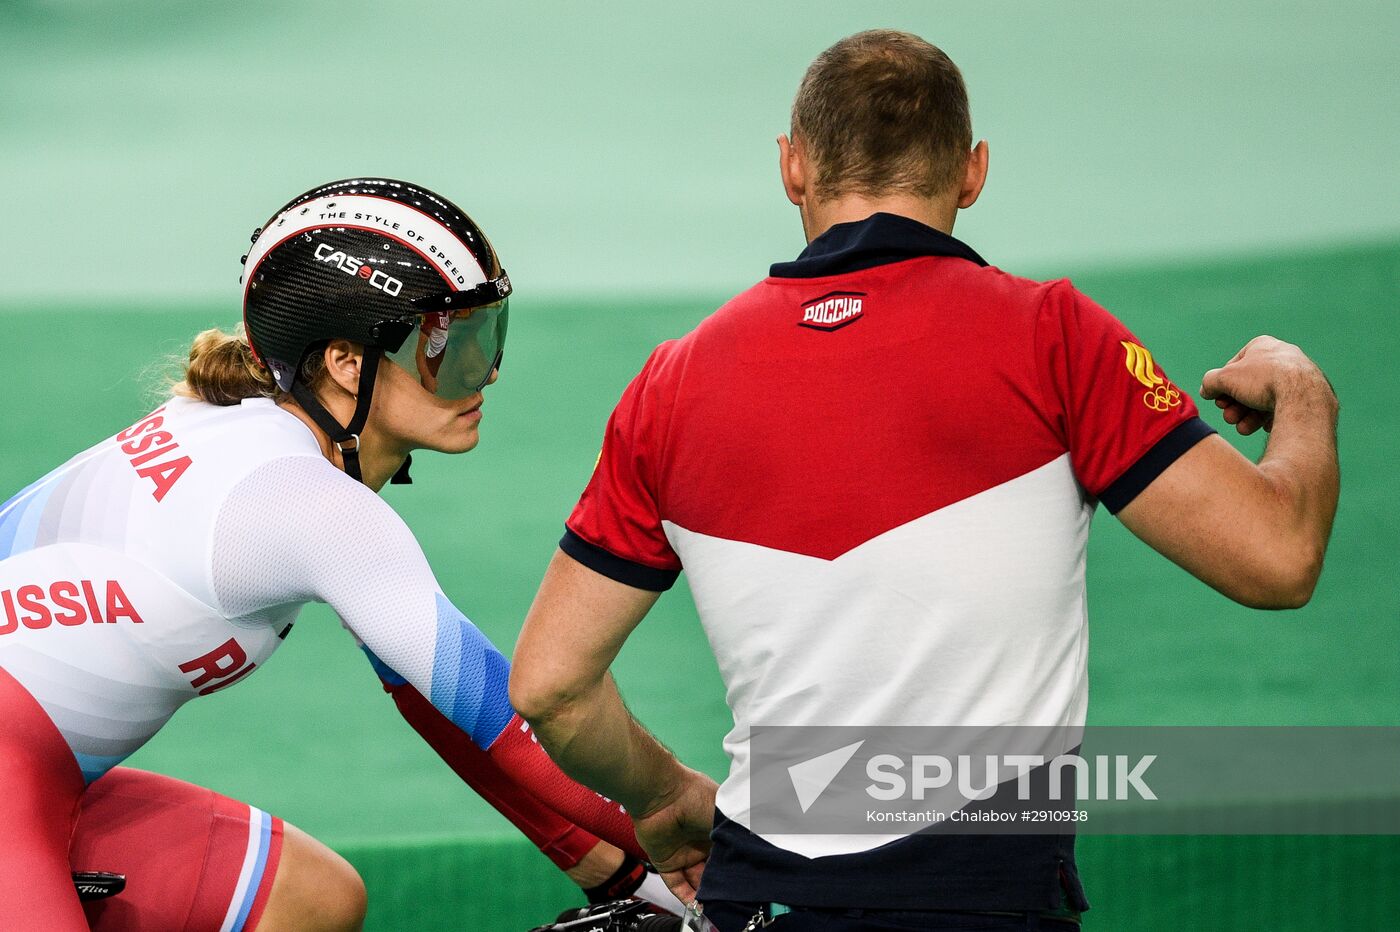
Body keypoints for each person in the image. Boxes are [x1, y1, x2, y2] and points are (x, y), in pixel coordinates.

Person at [508, 30, 1341, 932]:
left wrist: (666, 796)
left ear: (792, 168)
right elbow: (1278, 556)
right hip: (985, 907)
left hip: (759, 899)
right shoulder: (1055, 338)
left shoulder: (671, 385)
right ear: (974, 172)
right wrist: (1300, 390)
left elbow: (550, 686)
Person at [0, 178, 675, 930]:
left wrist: (615, 870)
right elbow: (506, 722)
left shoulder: (249, 440)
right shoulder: (310, 502)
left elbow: (437, 699)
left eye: (487, 339)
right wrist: (703, 822)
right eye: (444, 350)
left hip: (39, 781)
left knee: (312, 899)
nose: (481, 375)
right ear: (347, 364)